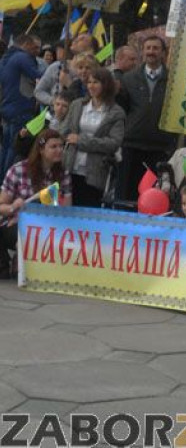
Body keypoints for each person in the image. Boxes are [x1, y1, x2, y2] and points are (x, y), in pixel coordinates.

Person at [0, 129, 72, 278]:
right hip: (15, 222)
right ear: (41, 150)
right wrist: (13, 207)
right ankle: (10, 262)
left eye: (61, 146)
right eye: (53, 147)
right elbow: (1, 206)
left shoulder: (63, 174)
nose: (59, 150)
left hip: (47, 225)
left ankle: (25, 263)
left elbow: (67, 210)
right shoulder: (18, 170)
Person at [116, 36, 176, 202]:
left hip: (160, 147)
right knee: (126, 194)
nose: (151, 52)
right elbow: (122, 110)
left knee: (155, 195)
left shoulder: (173, 80)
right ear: (142, 52)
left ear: (163, 53)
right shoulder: (129, 78)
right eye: (148, 48)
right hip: (132, 145)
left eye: (155, 48)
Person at [61, 67, 126, 207]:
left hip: (95, 172)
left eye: (95, 82)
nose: (91, 86)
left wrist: (82, 141)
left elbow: (113, 143)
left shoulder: (116, 112)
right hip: (70, 166)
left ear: (106, 85)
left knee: (87, 208)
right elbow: (64, 131)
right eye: (89, 82)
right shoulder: (77, 105)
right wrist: (68, 138)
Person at [0, 34, 41, 177]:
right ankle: (8, 182)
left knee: (5, 148)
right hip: (21, 109)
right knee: (15, 149)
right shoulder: (22, 57)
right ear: (26, 44)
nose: (37, 52)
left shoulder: (5, 59)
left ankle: (2, 181)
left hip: (7, 109)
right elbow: (40, 76)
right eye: (34, 48)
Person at [33, 33, 95, 106]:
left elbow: (89, 100)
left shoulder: (94, 71)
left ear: (91, 48)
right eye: (77, 38)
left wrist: (69, 84)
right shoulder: (56, 66)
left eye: (82, 39)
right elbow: (38, 91)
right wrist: (53, 101)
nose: (76, 40)